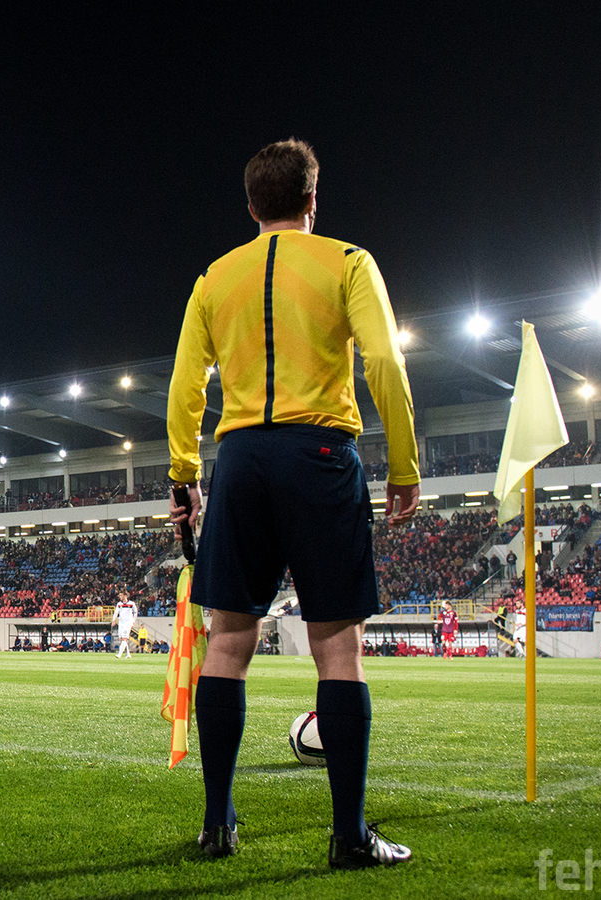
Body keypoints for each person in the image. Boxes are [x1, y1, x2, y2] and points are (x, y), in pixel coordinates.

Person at [166, 139, 419, 869]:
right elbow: (384, 361)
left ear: (251, 206)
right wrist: (404, 464)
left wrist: (184, 476)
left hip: (242, 460)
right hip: (320, 456)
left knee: (227, 643)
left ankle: (217, 824)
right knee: (337, 648)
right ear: (313, 199)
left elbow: (186, 384)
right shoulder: (349, 261)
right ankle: (349, 836)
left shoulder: (214, 278)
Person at [111, 590, 138, 658]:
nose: (120, 597)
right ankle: (128, 654)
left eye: (121, 595)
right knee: (121, 639)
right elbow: (116, 612)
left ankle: (119, 654)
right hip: (121, 623)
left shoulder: (131, 604)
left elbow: (135, 612)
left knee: (124, 638)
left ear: (125, 596)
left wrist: (133, 621)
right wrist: (113, 620)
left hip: (128, 623)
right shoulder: (119, 604)